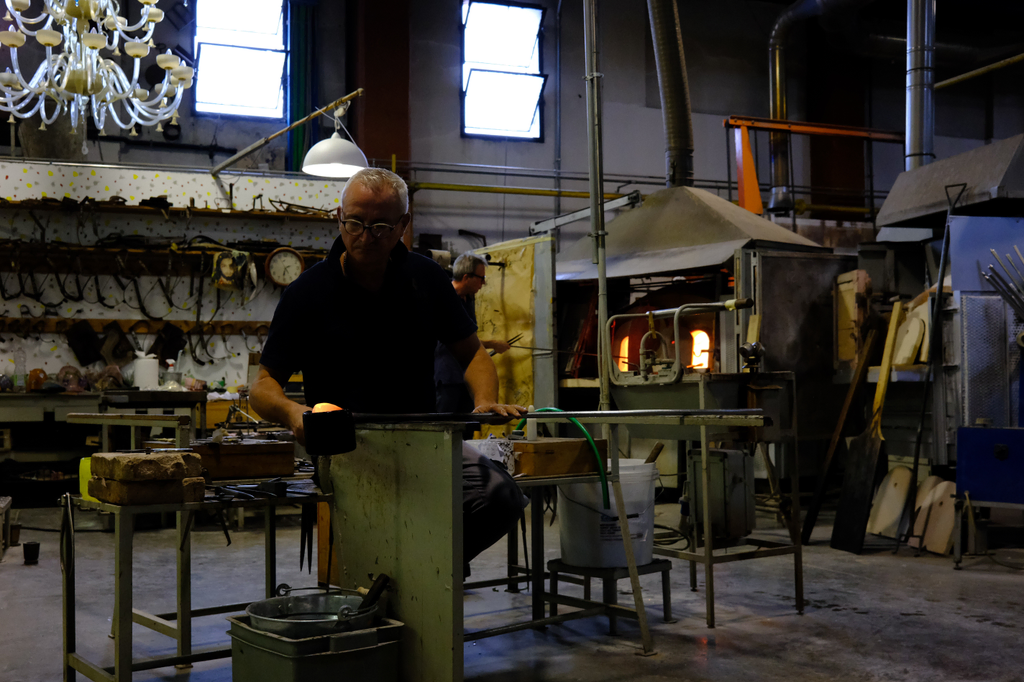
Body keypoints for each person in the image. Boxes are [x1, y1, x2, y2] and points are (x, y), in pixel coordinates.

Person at [250, 167, 526, 575]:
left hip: (424, 439)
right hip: (345, 448)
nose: (366, 236)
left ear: (404, 225)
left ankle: (427, 569)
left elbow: (472, 354)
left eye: (380, 226)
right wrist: (295, 414)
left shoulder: (426, 280)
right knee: (363, 553)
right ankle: (411, 577)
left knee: (501, 497)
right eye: (356, 223)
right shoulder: (307, 293)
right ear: (338, 218)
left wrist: (484, 401)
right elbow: (262, 385)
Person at [435, 252, 511, 413]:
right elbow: (457, 340)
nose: (483, 283)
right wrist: (493, 344)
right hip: (447, 377)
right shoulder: (444, 298)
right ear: (466, 277)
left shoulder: (467, 300)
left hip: (466, 378)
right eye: (481, 278)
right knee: (445, 426)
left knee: (468, 425)